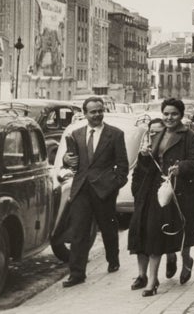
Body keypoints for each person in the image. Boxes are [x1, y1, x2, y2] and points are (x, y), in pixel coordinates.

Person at [127, 98, 194, 296]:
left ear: (181, 115)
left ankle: (185, 260)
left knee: (181, 232)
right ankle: (152, 280)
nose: (169, 118)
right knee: (153, 232)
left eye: (174, 114)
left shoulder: (189, 136)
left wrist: (181, 168)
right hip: (157, 189)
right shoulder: (157, 134)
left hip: (178, 190)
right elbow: (150, 165)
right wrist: (144, 156)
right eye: (166, 114)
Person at [62, 97, 129, 288]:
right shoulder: (75, 134)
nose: (97, 114)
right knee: (79, 232)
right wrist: (67, 160)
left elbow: (122, 165)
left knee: (108, 227)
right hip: (81, 188)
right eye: (93, 112)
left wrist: (114, 184)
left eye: (100, 110)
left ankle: (113, 259)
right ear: (85, 114)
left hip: (104, 190)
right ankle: (77, 274)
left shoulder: (115, 134)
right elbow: (70, 162)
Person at [129, 118, 165, 290]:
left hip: (158, 199)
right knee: (139, 234)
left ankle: (153, 278)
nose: (154, 135)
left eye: (158, 132)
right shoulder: (144, 151)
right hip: (143, 199)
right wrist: (136, 192)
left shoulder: (165, 150)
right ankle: (141, 275)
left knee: (154, 237)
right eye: (151, 132)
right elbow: (137, 175)